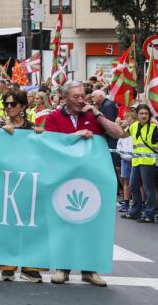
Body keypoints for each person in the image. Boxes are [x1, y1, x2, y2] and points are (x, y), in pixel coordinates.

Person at [44, 80, 124, 287]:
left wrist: (98, 114)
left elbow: (118, 133)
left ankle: (90, 270)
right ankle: (63, 268)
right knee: (65, 223)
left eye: (83, 96)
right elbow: (49, 145)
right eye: (76, 97)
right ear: (64, 98)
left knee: (93, 224)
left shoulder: (92, 115)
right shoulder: (53, 117)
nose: (81, 100)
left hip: (92, 181)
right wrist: (74, 136)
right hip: (64, 180)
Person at [0, 88, 46, 282]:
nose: (9, 107)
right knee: (8, 223)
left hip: (29, 183)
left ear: (23, 106)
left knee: (31, 223)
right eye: (6, 104)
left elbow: (41, 154)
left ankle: (30, 268)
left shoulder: (32, 128)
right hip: (6, 182)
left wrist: (41, 135)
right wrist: (2, 133)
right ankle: (7, 265)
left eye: (13, 104)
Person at [124, 103, 158, 223]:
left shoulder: (153, 127)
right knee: (133, 186)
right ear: (137, 115)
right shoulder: (134, 125)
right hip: (136, 160)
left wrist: (156, 122)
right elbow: (123, 134)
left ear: (149, 115)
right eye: (141, 113)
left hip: (148, 161)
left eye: (146, 113)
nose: (144, 116)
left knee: (148, 188)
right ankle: (135, 212)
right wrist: (119, 125)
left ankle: (149, 214)